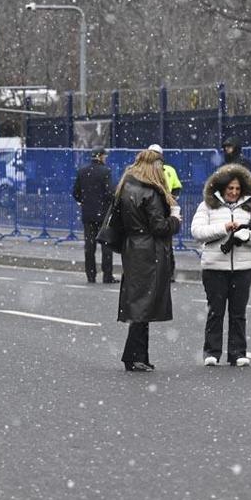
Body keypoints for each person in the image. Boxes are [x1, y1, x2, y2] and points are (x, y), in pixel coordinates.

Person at [190, 164, 251, 367]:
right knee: (216, 311)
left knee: (238, 313)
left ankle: (237, 352)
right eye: (230, 188)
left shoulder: (250, 208)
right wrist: (223, 228)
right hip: (214, 267)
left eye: (237, 189)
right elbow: (197, 232)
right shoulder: (207, 206)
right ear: (222, 188)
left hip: (243, 268)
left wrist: (247, 236)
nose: (233, 192)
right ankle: (212, 352)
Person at [116, 149, 182, 371]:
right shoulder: (150, 193)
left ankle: (138, 356)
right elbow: (159, 227)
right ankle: (133, 355)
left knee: (138, 302)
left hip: (132, 247)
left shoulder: (126, 186)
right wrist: (174, 218)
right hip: (148, 251)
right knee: (143, 306)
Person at [73, 146, 117, 284]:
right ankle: (107, 275)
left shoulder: (82, 171)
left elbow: (75, 193)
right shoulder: (105, 171)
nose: (105, 159)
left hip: (88, 215)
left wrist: (84, 202)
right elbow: (110, 192)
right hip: (103, 215)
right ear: (100, 156)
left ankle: (90, 276)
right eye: (105, 156)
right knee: (106, 246)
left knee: (89, 247)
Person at [147, 144, 182, 282]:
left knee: (167, 242)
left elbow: (177, 187)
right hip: (152, 208)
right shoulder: (145, 171)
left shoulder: (169, 170)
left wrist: (171, 200)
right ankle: (156, 271)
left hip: (166, 208)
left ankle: (169, 272)